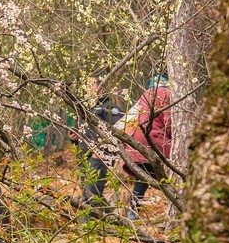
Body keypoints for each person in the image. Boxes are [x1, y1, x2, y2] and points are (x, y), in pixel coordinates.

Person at [67, 71, 123, 216]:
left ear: (101, 87)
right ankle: (113, 218)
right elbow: (81, 131)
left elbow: (120, 130)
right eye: (86, 85)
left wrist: (102, 151)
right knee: (88, 194)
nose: (88, 88)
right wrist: (74, 138)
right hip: (83, 156)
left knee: (92, 193)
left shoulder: (109, 106)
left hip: (99, 157)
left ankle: (93, 223)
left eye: (91, 84)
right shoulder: (84, 108)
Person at [122, 72, 172, 222]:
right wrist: (174, 138)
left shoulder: (146, 93)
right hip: (154, 141)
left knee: (143, 176)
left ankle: (133, 211)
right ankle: (175, 208)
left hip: (136, 139)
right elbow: (169, 120)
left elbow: (132, 116)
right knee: (166, 176)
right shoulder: (167, 93)